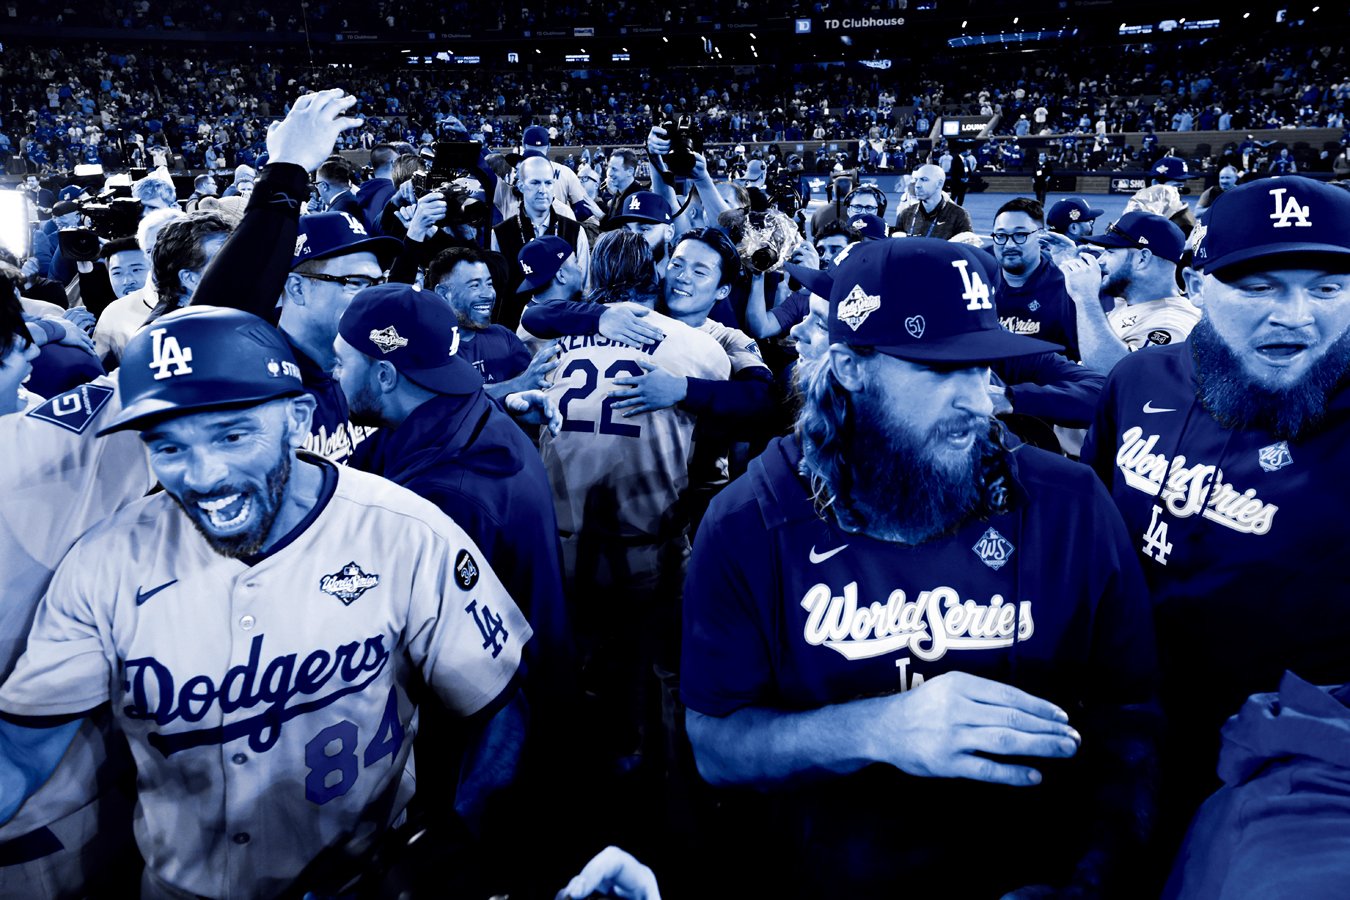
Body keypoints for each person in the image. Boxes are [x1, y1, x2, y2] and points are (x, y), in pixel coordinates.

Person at [0, 306, 532, 899]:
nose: (203, 476)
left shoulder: (405, 532)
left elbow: (499, 703)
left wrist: (450, 843)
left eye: (232, 435)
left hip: (362, 880)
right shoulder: (103, 563)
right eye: (169, 447)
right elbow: (21, 754)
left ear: (298, 419)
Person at [681, 238, 1159, 898]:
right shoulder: (750, 521)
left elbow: (1132, 714)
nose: (979, 401)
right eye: (941, 369)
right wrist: (877, 728)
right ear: (849, 368)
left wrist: (1092, 881)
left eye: (982, 367)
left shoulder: (1069, 503)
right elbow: (715, 747)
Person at [1080, 176, 1350, 869]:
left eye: (1327, 287)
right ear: (1199, 285)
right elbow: (1095, 537)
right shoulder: (1139, 381)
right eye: (1258, 287)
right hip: (1121, 730)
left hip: (1277, 781)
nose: (1295, 316)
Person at [1054, 211, 1199, 373]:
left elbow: (1120, 376)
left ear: (1142, 259)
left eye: (1110, 251)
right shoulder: (1130, 300)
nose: (1100, 260)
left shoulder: (1172, 323)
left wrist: (1086, 298)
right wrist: (1069, 265)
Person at [424, 245, 561, 398]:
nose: (488, 294)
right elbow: (455, 398)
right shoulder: (426, 347)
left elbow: (531, 380)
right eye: (475, 285)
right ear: (443, 294)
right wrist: (518, 384)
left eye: (489, 284)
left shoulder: (503, 336)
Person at [991, 197, 1080, 361]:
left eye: (1020, 234)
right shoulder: (979, 281)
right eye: (1001, 235)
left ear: (1041, 236)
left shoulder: (1067, 285)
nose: (1009, 245)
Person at [891, 163, 972, 239]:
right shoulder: (905, 214)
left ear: (939, 183)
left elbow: (966, 246)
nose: (917, 185)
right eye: (916, 180)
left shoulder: (958, 215)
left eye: (924, 180)